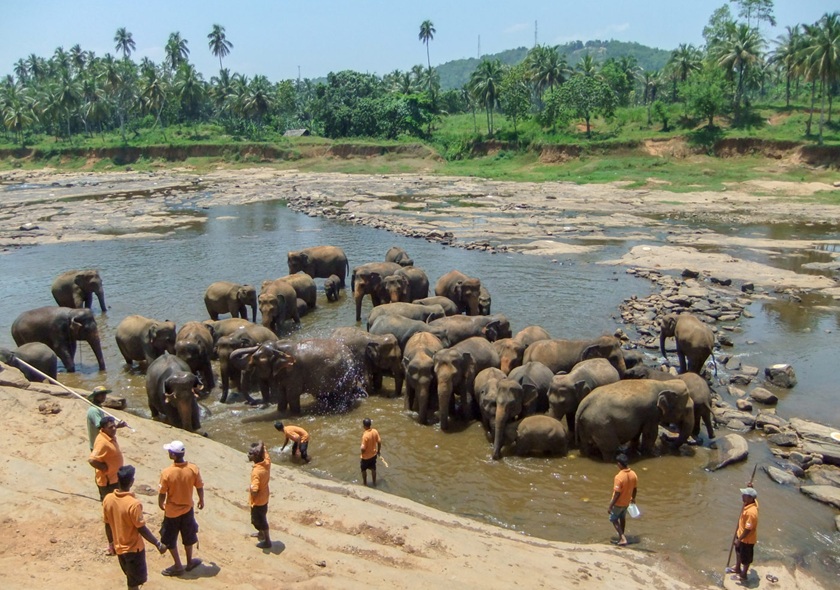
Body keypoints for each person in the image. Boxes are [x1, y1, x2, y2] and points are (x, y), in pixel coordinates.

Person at [102, 465, 167, 590]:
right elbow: (141, 528)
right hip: (133, 550)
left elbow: (107, 524)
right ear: (132, 482)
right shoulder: (133, 504)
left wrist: (111, 544)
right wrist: (158, 544)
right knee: (133, 583)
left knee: (131, 579)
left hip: (119, 548)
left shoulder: (108, 499)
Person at [158, 440, 204, 577]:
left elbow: (162, 493)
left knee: (170, 538)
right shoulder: (193, 469)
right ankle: (189, 562)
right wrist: (201, 499)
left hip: (172, 512)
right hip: (188, 509)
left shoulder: (167, 473)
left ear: (173, 455)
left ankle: (178, 565)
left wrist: (161, 504)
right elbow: (199, 486)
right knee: (188, 535)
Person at [88, 415, 124, 555]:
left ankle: (117, 540)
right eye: (111, 427)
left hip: (115, 480)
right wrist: (106, 469)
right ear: (103, 429)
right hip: (108, 483)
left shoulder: (109, 436)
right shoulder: (102, 442)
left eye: (114, 426)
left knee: (117, 512)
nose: (114, 429)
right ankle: (112, 545)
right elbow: (92, 460)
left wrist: (118, 426)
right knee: (110, 515)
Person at [728, 487, 759, 582]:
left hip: (746, 539)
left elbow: (748, 529)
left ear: (750, 498)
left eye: (744, 495)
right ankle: (737, 568)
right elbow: (755, 498)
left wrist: (739, 539)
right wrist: (750, 486)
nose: (742, 496)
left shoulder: (751, 512)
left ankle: (743, 575)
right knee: (738, 552)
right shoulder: (751, 503)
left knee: (745, 558)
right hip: (740, 535)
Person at [607, 453, 637, 547]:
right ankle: (622, 536)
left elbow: (617, 493)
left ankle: (622, 538)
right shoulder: (633, 474)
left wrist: (610, 506)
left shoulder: (619, 477)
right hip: (627, 501)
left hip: (618, 503)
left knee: (613, 519)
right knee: (622, 518)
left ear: (619, 464)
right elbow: (635, 489)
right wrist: (633, 498)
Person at [248, 441, 272, 549]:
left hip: (258, 501)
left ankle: (267, 540)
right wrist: (262, 446)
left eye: (250, 454)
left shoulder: (256, 472)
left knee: (258, 520)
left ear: (256, 456)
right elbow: (265, 451)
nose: (248, 455)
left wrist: (251, 489)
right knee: (262, 517)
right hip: (265, 496)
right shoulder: (266, 462)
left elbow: (255, 489)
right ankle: (262, 533)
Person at [86, 386, 126, 450]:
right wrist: (117, 426)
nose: (103, 396)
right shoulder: (94, 410)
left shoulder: (99, 408)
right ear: (96, 396)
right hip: (98, 445)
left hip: (102, 443)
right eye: (101, 394)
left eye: (104, 394)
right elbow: (102, 428)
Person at [360, 417, 381, 487]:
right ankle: (374, 482)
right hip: (373, 455)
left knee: (363, 469)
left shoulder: (365, 435)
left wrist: (362, 452)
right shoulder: (375, 431)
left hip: (365, 457)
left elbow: (363, 448)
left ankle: (365, 483)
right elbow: (379, 441)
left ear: (364, 426)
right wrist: (378, 451)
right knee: (373, 469)